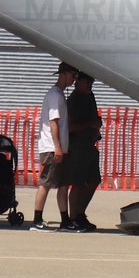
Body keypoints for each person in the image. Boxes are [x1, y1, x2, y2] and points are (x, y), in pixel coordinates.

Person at [32, 62, 75, 229]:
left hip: (60, 148)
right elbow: (53, 122)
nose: (74, 79)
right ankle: (36, 220)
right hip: (52, 147)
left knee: (63, 185)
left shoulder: (59, 94)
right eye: (72, 75)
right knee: (46, 183)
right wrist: (57, 146)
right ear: (63, 74)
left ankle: (65, 220)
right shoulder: (55, 95)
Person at [65, 70, 103, 232]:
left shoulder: (89, 96)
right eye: (87, 81)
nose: (90, 85)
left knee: (94, 180)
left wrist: (96, 124)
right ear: (78, 82)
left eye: (91, 81)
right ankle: (73, 218)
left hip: (89, 145)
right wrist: (90, 124)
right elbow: (70, 127)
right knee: (78, 183)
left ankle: (80, 214)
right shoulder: (75, 99)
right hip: (78, 147)